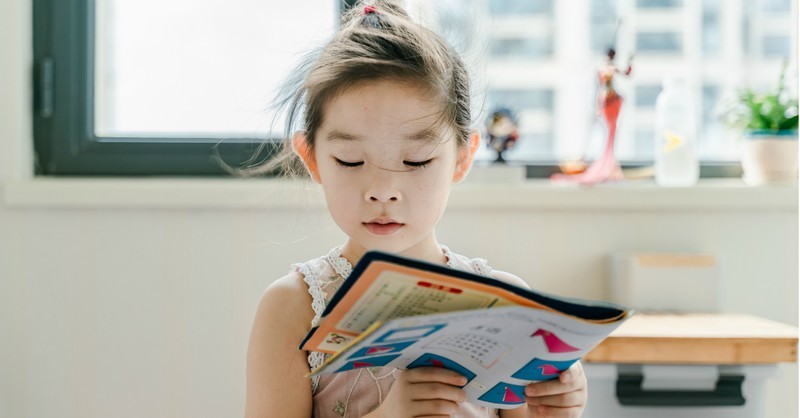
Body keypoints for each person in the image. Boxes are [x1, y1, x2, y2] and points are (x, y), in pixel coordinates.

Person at [245, 2, 587, 417]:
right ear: (311, 157)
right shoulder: (294, 307)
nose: (383, 191)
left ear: (463, 158)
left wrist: (554, 409)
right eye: (351, 161)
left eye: (416, 161)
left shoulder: (505, 304)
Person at [551, 47, 633, 185]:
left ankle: (610, 165)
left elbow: (626, 73)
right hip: (607, 102)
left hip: (611, 101)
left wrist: (629, 63)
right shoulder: (604, 69)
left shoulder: (608, 69)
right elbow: (603, 84)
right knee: (608, 133)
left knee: (612, 133)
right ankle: (606, 165)